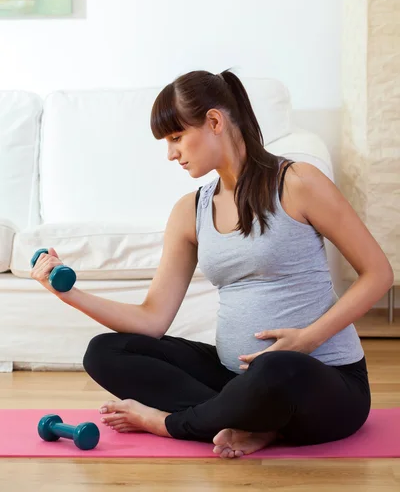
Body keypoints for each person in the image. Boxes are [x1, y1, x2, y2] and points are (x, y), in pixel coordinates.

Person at [31, 69, 394, 459]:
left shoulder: (297, 183)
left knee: (277, 370)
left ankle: (170, 423)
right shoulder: (191, 210)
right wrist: (68, 293)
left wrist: (307, 340)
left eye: (176, 138)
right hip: (235, 378)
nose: (171, 153)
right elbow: (152, 319)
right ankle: (246, 420)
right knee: (104, 352)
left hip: (319, 380)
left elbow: (378, 274)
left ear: (215, 122)